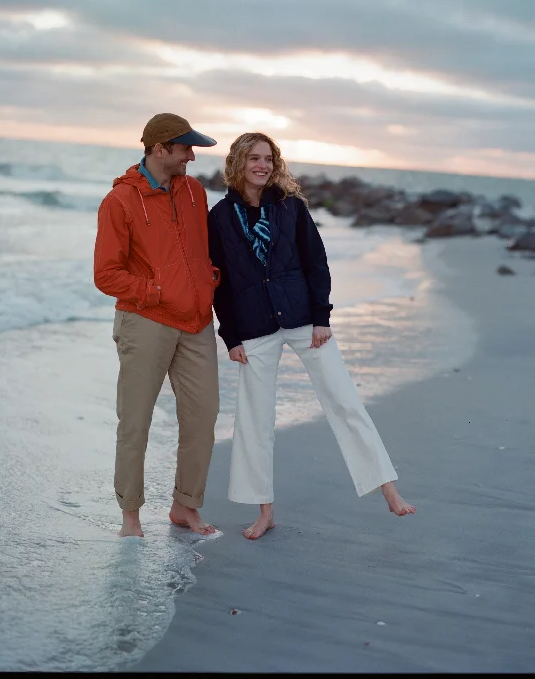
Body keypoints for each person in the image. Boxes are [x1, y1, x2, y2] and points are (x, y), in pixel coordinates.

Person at [208, 132, 416, 540]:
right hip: (253, 328)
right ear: (237, 163)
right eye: (254, 158)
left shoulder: (292, 209)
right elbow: (219, 282)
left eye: (269, 158)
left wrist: (322, 316)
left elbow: (316, 263)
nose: (262, 165)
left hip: (305, 319)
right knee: (254, 420)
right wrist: (230, 336)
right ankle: (264, 511)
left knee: (344, 399)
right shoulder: (219, 217)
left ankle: (388, 489)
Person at [94, 113, 221, 538]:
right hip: (145, 320)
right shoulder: (120, 202)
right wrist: (158, 291)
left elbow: (200, 251)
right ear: (159, 148)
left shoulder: (194, 192)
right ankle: (131, 516)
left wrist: (207, 282)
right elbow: (106, 274)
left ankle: (185, 506)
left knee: (203, 418)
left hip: (197, 321)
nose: (192, 157)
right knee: (135, 422)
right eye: (185, 148)